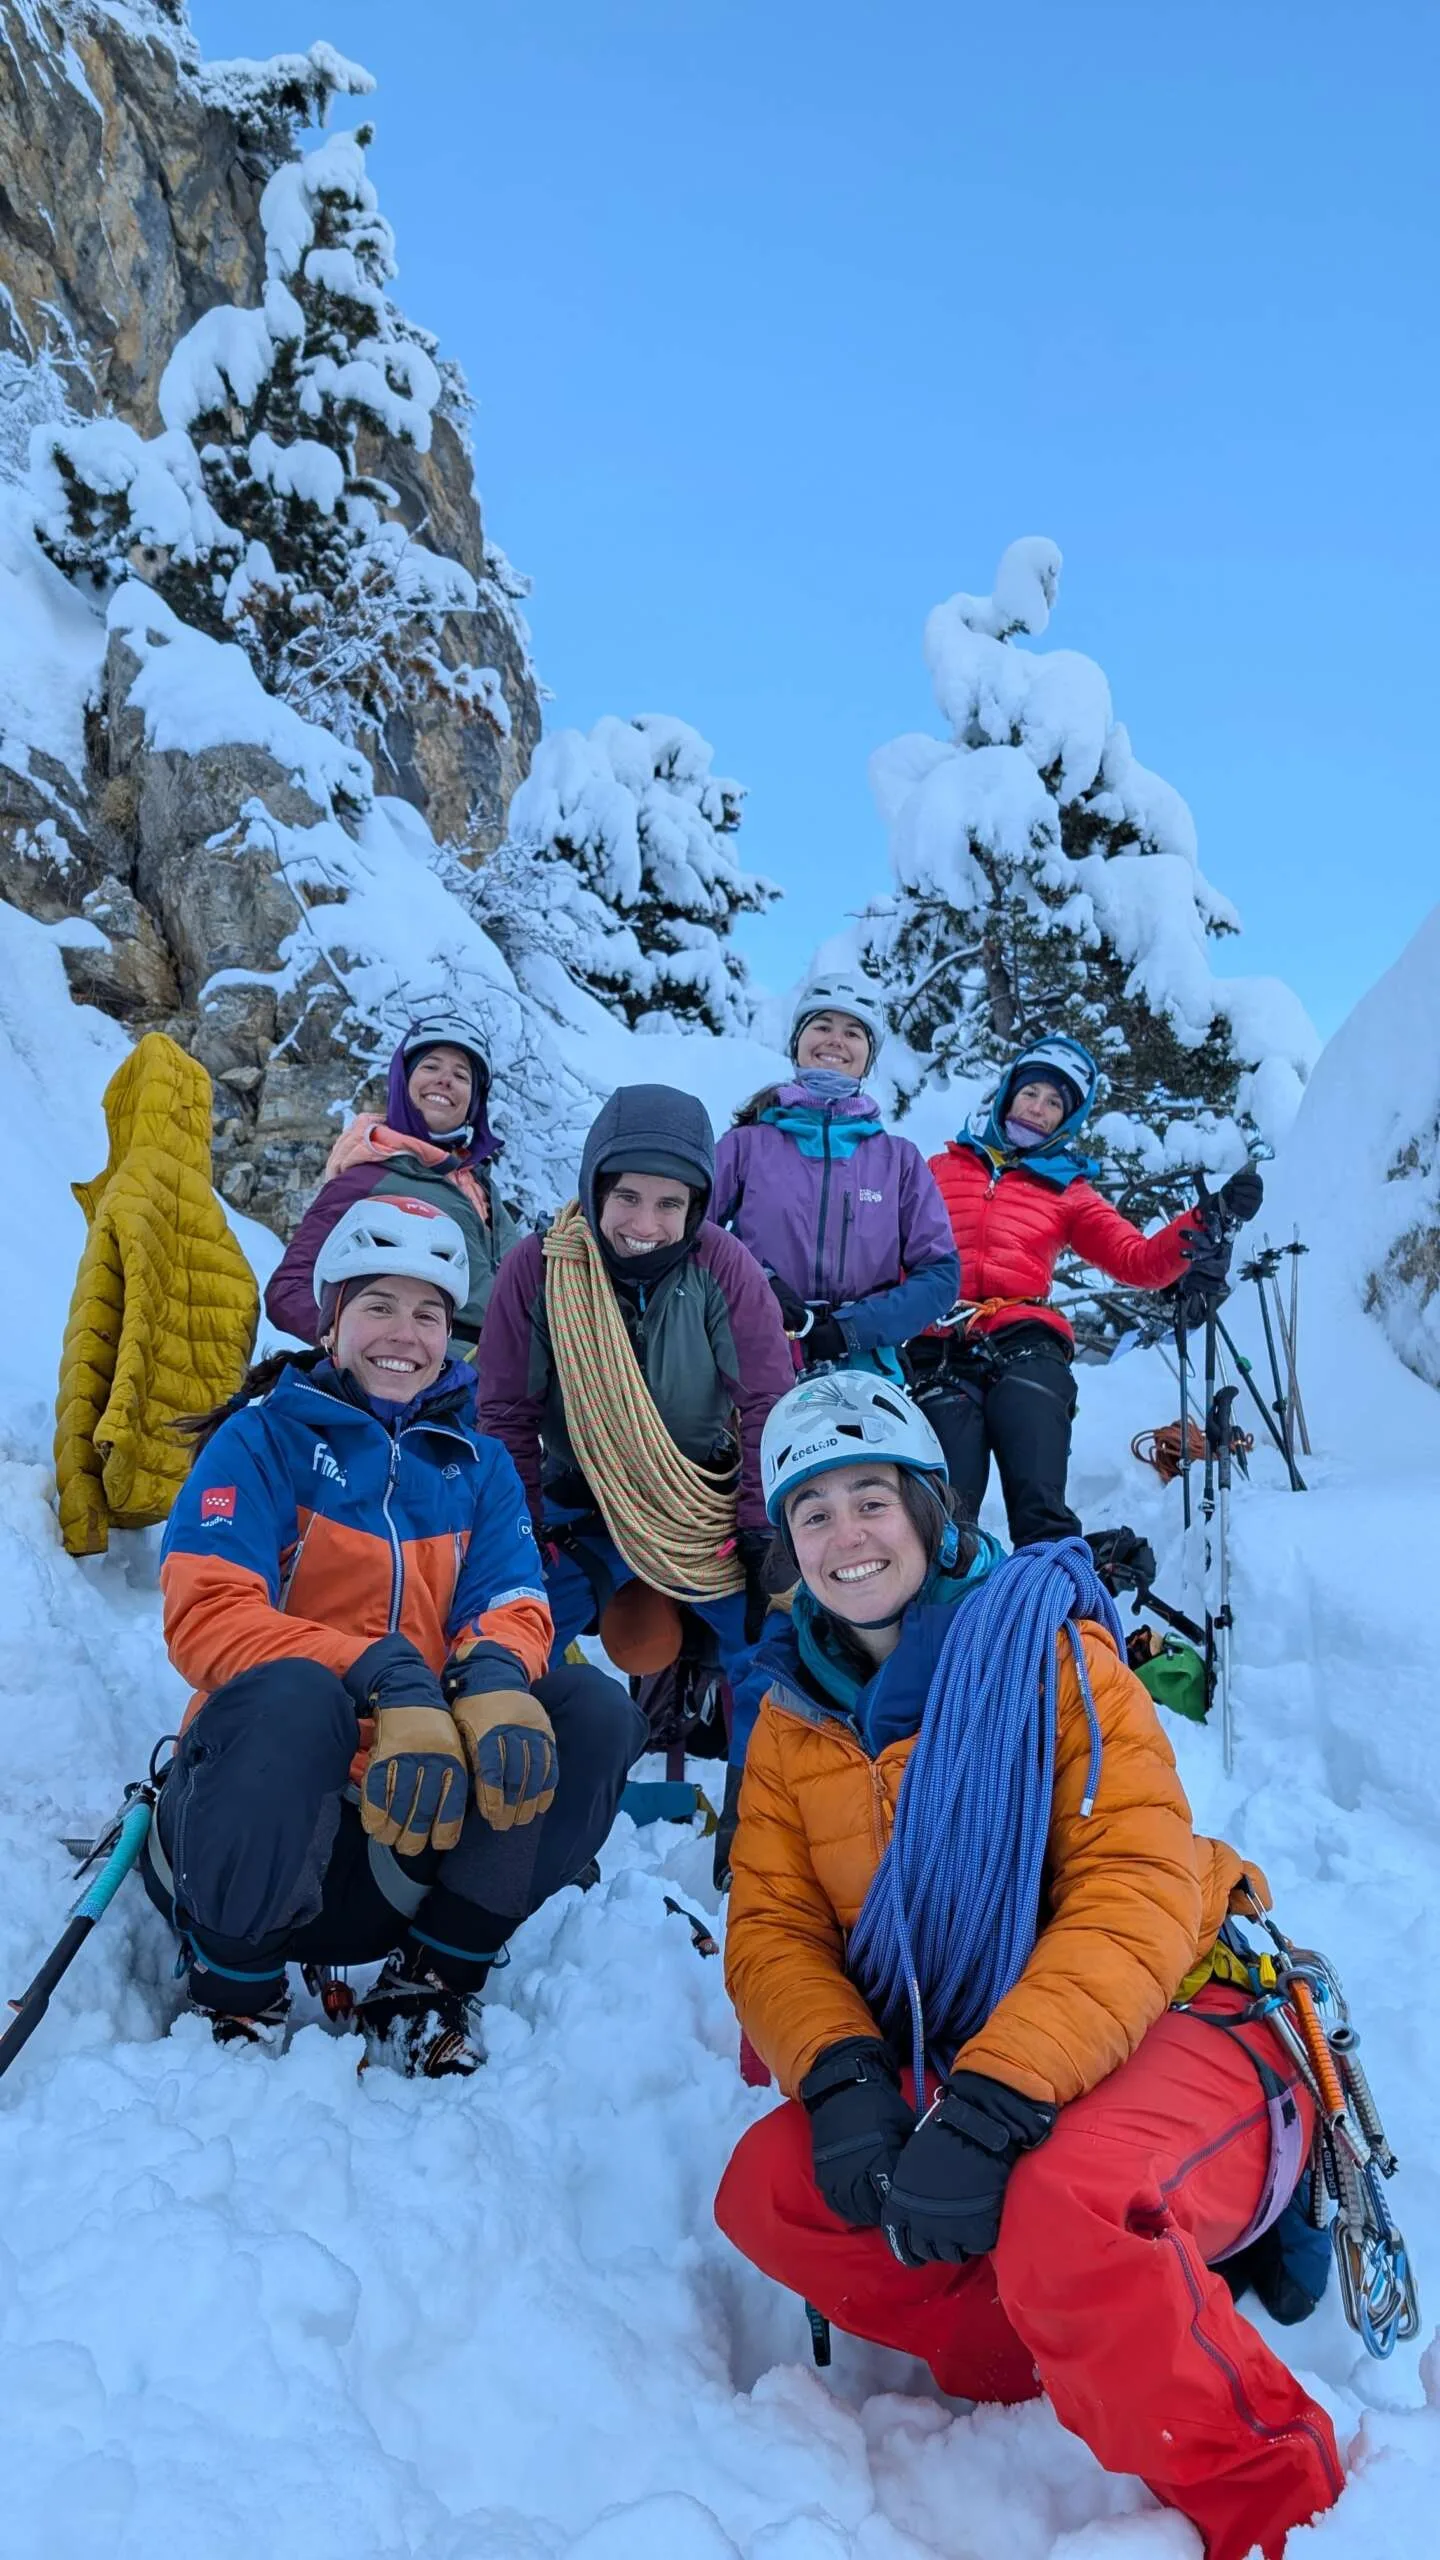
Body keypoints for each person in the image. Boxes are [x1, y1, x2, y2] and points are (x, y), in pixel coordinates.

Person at [714, 1370, 1341, 2560]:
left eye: (872, 1499)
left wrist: (994, 2102)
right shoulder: (794, 1717)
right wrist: (844, 2078)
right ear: (790, 1545)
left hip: (1183, 2005)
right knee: (776, 2186)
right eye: (814, 1512)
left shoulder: (1047, 1652)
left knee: (1065, 2205)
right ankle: (1077, 2342)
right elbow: (774, 1926)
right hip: (974, 2045)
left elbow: (1134, 1891)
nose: (848, 1535)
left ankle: (1286, 2508)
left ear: (927, 1508)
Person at [146, 1194, 644, 2072]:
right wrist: (382, 1672)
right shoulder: (258, 1443)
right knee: (297, 1695)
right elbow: (208, 1614)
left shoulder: (478, 1465)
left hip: (410, 1817)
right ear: (332, 1320)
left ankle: (429, 1979)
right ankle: (236, 1992)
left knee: (591, 1713)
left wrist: (490, 1678)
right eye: (379, 1305)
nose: (404, 1335)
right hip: (251, 1828)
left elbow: (512, 1599)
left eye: (428, 1314)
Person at [476, 1081, 795, 1687]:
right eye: (627, 1196)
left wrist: (760, 1529)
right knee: (505, 1639)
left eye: (669, 1204)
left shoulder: (721, 1264)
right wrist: (521, 1531)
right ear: (595, 1187)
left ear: (696, 1206)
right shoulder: (539, 1267)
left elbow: (767, 1401)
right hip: (579, 1504)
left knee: (774, 1651)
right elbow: (506, 1414)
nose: (645, 1224)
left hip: (701, 1510)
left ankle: (748, 1747)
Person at [916, 1034, 1262, 1545]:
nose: (1038, 1108)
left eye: (1054, 1103)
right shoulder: (940, 1169)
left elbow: (1137, 1261)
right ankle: (947, 1589)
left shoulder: (1069, 1192)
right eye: (1030, 1093)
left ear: (1068, 1119)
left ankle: (1053, 1585)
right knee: (941, 1509)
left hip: (1024, 1338)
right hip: (940, 1341)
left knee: (1038, 1489)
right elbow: (885, 1244)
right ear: (1008, 1096)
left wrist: (1205, 1220)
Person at [712, 971, 958, 1377]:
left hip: (866, 1369)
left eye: (853, 1033)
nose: (835, 1040)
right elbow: (693, 1236)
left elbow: (940, 1275)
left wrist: (852, 1329)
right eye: (822, 1026)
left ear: (868, 1057)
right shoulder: (746, 1146)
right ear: (797, 1042)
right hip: (756, 1358)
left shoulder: (899, 1160)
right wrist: (759, 1286)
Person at [265, 1015, 518, 1359]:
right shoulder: (368, 1177)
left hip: (506, 1369)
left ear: (474, 1102)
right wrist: (377, 1347)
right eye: (430, 1067)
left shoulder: (479, 1185)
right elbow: (289, 1290)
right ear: (403, 1081)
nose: (445, 1080)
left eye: (461, 1076)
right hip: (434, 1373)